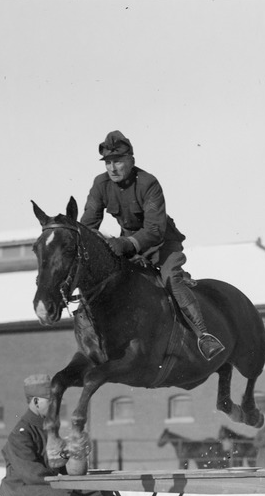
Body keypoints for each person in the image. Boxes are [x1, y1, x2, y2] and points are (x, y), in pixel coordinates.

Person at [80, 130, 224, 360]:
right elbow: (88, 224)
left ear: (131, 160)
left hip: (162, 246)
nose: (112, 168)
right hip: (127, 246)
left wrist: (126, 243)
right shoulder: (101, 184)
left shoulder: (148, 183)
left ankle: (205, 336)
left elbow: (155, 230)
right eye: (108, 162)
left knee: (171, 281)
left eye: (118, 161)